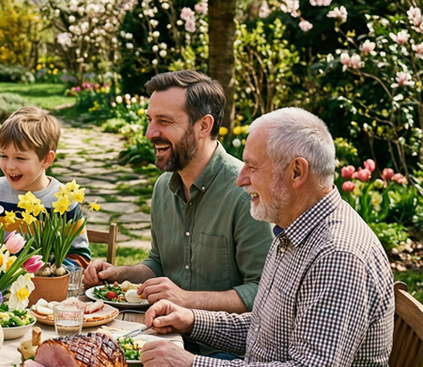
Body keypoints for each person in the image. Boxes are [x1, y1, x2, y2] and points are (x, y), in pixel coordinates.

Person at [140, 107, 394, 367]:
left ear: (296, 172)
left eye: (252, 166)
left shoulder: (337, 256)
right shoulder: (293, 231)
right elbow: (265, 329)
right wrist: (192, 320)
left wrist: (191, 364)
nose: (240, 179)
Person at [84, 71, 272, 316]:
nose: (150, 133)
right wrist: (119, 274)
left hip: (221, 350)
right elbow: (160, 264)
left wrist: (186, 300)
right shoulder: (163, 187)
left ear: (204, 125)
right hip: (163, 331)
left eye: (164, 121)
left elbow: (263, 291)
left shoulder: (247, 193)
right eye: (150, 120)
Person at [0, 106, 91, 266]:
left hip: (45, 288)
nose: (9, 166)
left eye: (20, 158)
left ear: (47, 159)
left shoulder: (64, 201)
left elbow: (80, 257)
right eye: (4, 156)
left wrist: (47, 275)